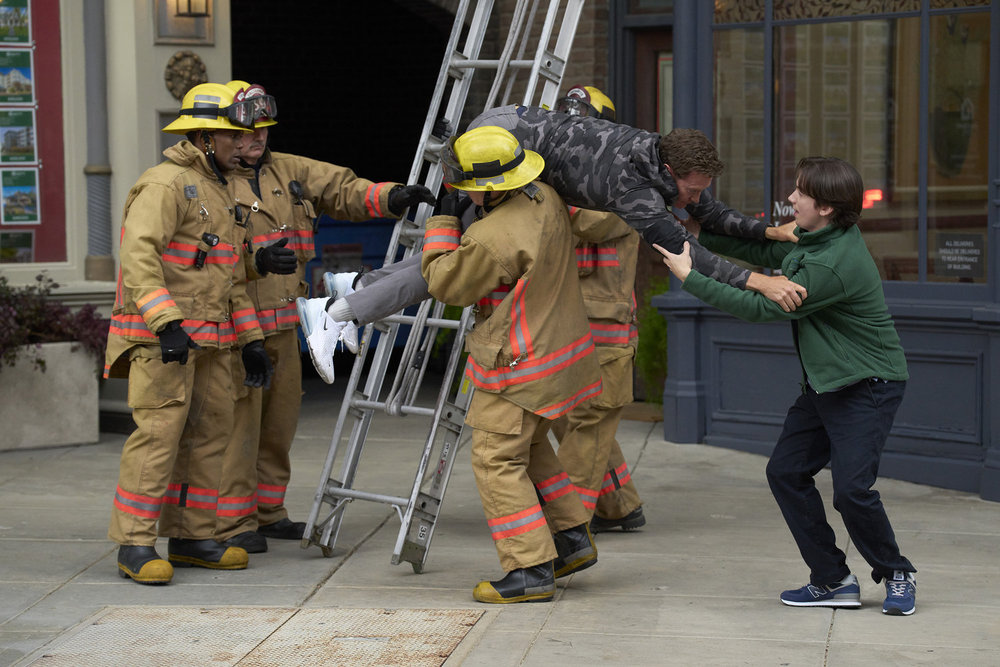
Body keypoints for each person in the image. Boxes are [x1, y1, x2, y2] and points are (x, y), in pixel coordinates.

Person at [296, 111, 805, 375]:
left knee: (450, 263)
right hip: (504, 149)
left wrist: (769, 232)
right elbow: (686, 253)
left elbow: (706, 212)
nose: (695, 197)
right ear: (670, 171)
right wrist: (761, 281)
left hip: (510, 131)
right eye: (692, 187)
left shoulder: (659, 156)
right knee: (451, 268)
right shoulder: (632, 190)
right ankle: (339, 312)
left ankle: (353, 288)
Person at [655, 156, 917, 615]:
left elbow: (761, 308)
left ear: (827, 207)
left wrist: (689, 276)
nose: (791, 198)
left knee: (852, 492)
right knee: (786, 473)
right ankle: (833, 579)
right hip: (825, 384)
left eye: (801, 193)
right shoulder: (819, 237)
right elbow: (770, 254)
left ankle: (897, 573)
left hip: (866, 386)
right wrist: (698, 237)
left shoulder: (832, 265)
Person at [215, 81, 436, 553]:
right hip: (237, 326)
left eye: (263, 129)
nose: (257, 138)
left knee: (279, 425)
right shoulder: (213, 183)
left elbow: (341, 188)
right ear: (224, 134)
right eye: (247, 131)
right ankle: (233, 523)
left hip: (285, 321)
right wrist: (254, 261)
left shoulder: (288, 170)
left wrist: (392, 197)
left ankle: (269, 513)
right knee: (239, 427)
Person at [421, 125, 623, 603]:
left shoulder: (491, 236)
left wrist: (442, 223)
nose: (462, 191)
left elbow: (445, 284)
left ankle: (529, 569)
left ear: (486, 188)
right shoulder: (546, 197)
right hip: (559, 361)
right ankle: (571, 539)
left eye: (465, 185)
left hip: (518, 368)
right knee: (530, 449)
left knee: (495, 460)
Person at [104, 82, 280, 584]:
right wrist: (166, 324)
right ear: (204, 138)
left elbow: (231, 278)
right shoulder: (164, 185)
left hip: (213, 343)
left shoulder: (224, 189)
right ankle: (135, 544)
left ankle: (192, 537)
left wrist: (251, 342)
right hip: (164, 345)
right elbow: (138, 258)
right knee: (158, 440)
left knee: (208, 439)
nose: (244, 144)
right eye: (233, 136)